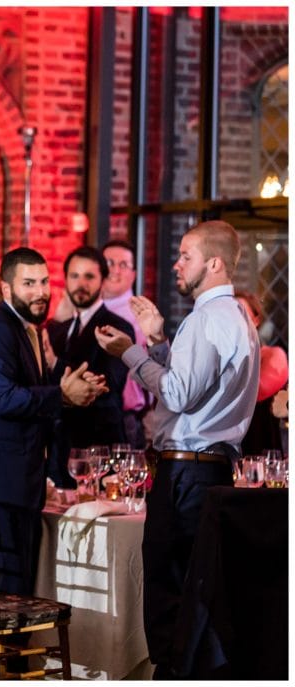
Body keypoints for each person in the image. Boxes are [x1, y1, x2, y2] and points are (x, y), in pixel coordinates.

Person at [94, 220, 259, 679]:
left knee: (170, 596)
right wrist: (160, 342)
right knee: (193, 593)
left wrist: (130, 352)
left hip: (188, 473)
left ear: (214, 263)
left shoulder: (209, 317)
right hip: (207, 470)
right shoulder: (235, 317)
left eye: (185, 255)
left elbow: (179, 395)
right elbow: (195, 389)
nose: (176, 263)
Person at [0, 247, 107, 595]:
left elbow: (32, 396)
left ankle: (16, 649)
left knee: (22, 587)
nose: (41, 291)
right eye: (29, 283)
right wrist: (62, 395)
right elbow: (2, 399)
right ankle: (7, 652)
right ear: (6, 289)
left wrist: (72, 391)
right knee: (12, 592)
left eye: (44, 281)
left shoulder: (28, 329)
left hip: (19, 481)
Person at [44, 245, 134, 487]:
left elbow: (108, 382)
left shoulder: (118, 327)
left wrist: (55, 363)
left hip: (99, 451)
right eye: (74, 276)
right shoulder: (56, 330)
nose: (80, 283)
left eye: (89, 276)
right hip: (58, 451)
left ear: (103, 281)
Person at [101, 239, 152, 447]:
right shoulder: (85, 310)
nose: (115, 270)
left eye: (123, 265)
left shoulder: (140, 314)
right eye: (109, 263)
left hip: (124, 418)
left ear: (134, 274)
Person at [235, 290, 288, 455]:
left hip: (262, 451)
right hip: (228, 452)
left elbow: (256, 390)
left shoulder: (272, 355)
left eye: (241, 313)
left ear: (256, 320)